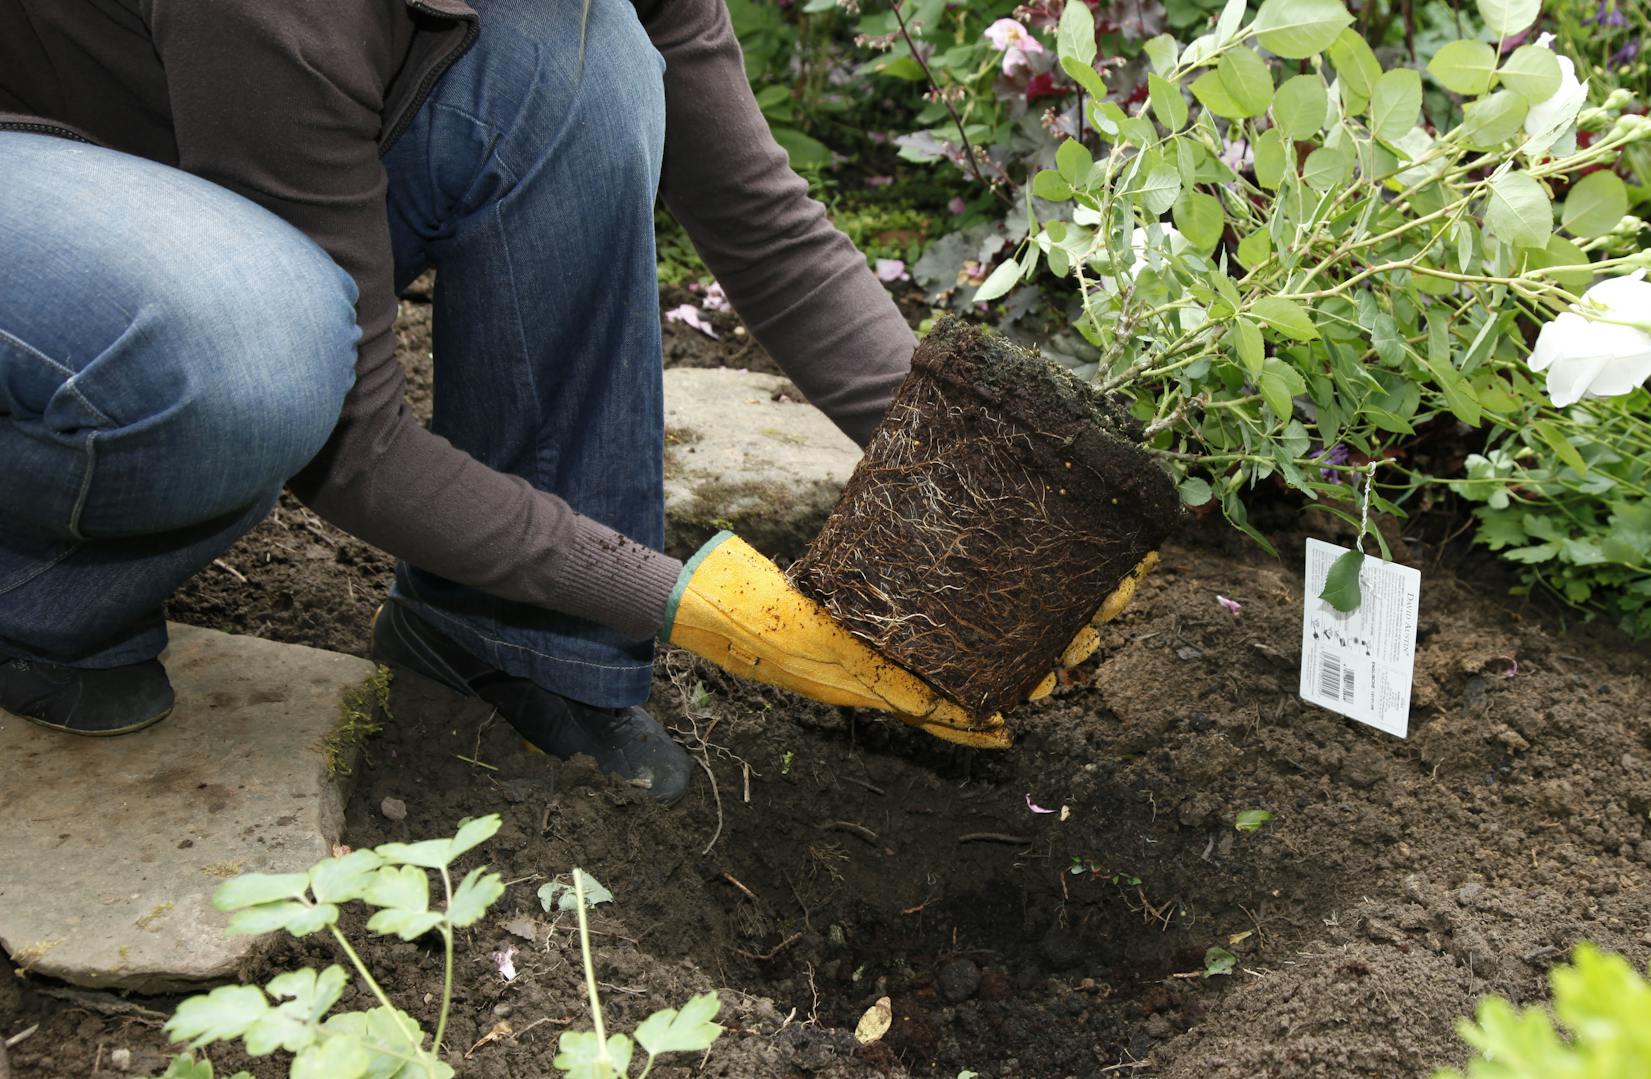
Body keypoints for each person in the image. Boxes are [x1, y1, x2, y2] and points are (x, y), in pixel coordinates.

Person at [0, 0, 1017, 805]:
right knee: (254, 352)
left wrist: (980, 491)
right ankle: (33, 587)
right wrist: (678, 600)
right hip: (40, 171)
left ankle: (513, 640)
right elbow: (355, 446)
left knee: (585, 58)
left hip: (209, 133)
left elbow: (760, 216)